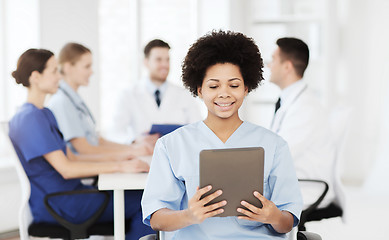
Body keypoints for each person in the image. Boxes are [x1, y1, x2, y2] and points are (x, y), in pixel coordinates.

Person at [141, 31, 303, 239]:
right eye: (213, 86)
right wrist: (189, 216)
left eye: (234, 85)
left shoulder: (274, 145)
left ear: (246, 88)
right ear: (199, 90)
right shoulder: (171, 145)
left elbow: (287, 222)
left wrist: (273, 216)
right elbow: (156, 218)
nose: (224, 93)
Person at [8, 49, 154, 239]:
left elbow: (73, 157)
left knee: (142, 198)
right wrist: (120, 165)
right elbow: (66, 169)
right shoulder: (30, 118)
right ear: (36, 77)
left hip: (72, 196)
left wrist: (122, 158)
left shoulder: (44, 113)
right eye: (53, 71)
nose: (58, 76)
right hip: (61, 203)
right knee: (148, 202)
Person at [47, 43, 152, 157]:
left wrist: (133, 148)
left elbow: (97, 141)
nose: (91, 72)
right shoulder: (62, 101)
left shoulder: (73, 100)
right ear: (68, 68)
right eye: (87, 66)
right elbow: (83, 149)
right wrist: (132, 152)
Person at [268, 37, 336, 207]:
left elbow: (280, 156)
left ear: (287, 67)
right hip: (292, 181)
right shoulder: (290, 101)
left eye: (274, 59)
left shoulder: (305, 108)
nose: (269, 65)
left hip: (306, 187)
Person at [108, 39, 202, 144]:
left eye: (167, 60)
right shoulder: (128, 94)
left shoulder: (184, 94)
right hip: (143, 155)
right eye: (159, 59)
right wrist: (135, 140)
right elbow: (115, 132)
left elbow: (197, 129)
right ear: (146, 62)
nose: (164, 65)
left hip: (177, 154)